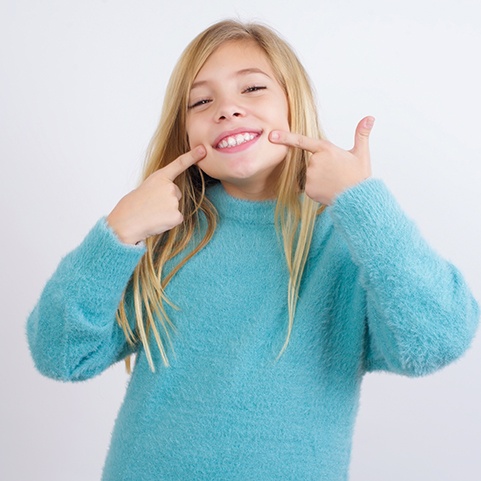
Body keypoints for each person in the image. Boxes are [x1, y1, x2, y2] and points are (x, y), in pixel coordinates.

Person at [27, 19, 479, 481]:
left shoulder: (347, 238)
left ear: (292, 104)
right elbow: (61, 355)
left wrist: (360, 202)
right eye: (202, 101)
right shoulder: (167, 235)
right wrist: (117, 232)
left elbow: (435, 341)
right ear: (184, 133)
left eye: (253, 88)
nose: (227, 110)